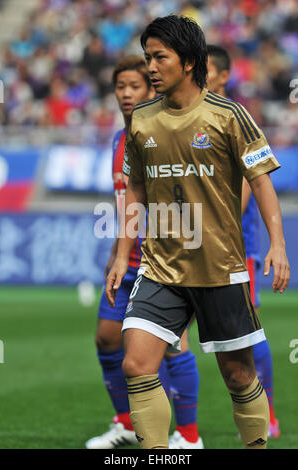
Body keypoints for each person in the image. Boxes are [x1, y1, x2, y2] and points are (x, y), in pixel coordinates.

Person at [106, 15, 290, 450]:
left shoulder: (229, 115)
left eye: (159, 57)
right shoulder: (142, 120)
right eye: (148, 57)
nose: (150, 67)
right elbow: (134, 187)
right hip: (160, 265)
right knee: (136, 363)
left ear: (189, 61)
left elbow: (262, 180)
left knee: (239, 374)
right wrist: (120, 255)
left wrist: (277, 246)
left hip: (220, 266)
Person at [86, 55, 203, 450]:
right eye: (120, 87)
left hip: (167, 262)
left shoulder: (166, 131)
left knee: (173, 346)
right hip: (128, 258)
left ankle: (188, 436)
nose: (126, 94)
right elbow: (125, 203)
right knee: (107, 338)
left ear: (151, 89)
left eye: (135, 86)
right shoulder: (120, 139)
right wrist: (117, 253)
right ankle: (125, 425)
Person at [206, 44, 280, 439]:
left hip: (235, 248)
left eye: (207, 70)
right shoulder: (190, 117)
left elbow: (247, 183)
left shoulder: (234, 117)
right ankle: (176, 426)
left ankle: (266, 415)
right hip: (194, 247)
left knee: (247, 330)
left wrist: (224, 228)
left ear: (222, 76)